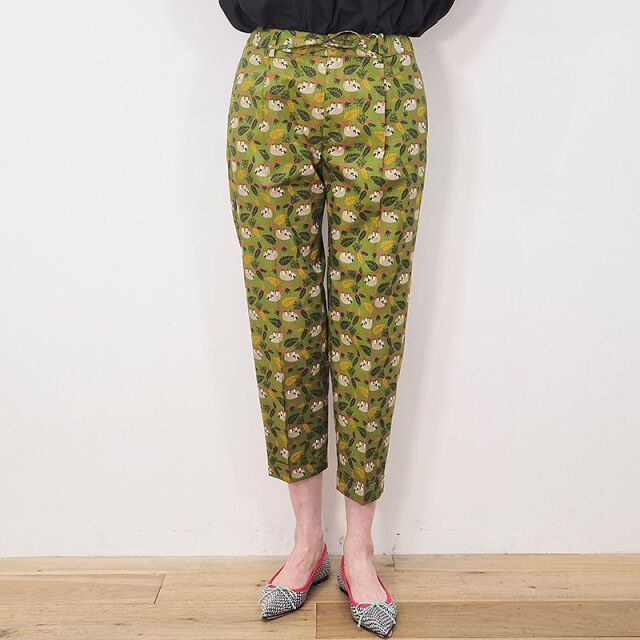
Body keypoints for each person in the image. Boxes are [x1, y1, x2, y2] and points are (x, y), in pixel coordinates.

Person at [220, 0, 455, 635]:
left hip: (381, 77)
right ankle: (306, 542)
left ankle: (358, 548)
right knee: (282, 320)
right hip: (271, 80)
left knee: (372, 324)